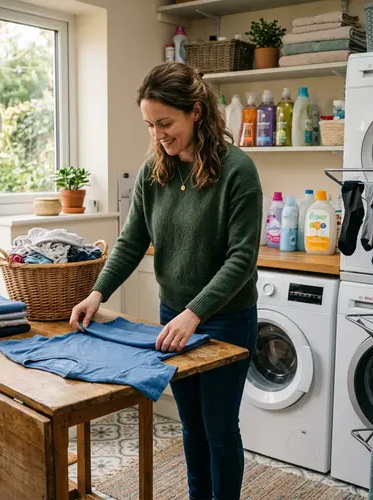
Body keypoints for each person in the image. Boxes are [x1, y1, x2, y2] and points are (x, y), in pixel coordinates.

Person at [70, 62, 263, 500]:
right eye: (149, 125)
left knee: (219, 430)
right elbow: (131, 241)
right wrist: (96, 294)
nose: (158, 134)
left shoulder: (237, 171)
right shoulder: (153, 172)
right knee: (190, 426)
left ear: (196, 112)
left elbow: (241, 260)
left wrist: (195, 314)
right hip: (172, 316)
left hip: (225, 320)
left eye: (165, 123)